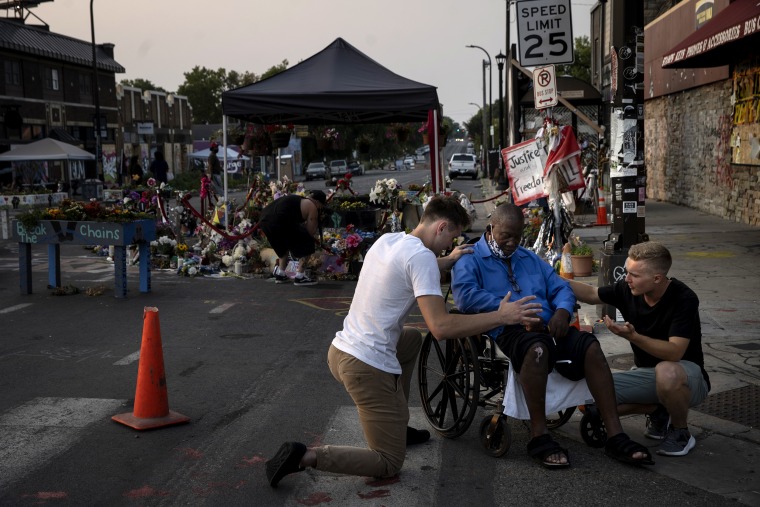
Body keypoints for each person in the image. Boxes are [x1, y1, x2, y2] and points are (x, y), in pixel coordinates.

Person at [265, 196, 544, 487]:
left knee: (410, 339)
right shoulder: (421, 258)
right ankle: (305, 456)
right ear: (442, 227)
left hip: (340, 351)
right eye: (451, 236)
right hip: (364, 367)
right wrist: (502, 316)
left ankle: (397, 424)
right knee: (388, 463)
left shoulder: (390, 241)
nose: (450, 244)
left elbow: (412, 265)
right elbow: (441, 327)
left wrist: (447, 261)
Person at [450, 203, 653, 469]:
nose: (512, 242)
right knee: (537, 349)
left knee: (589, 346)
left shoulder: (529, 258)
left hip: (548, 326)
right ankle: (539, 435)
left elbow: (561, 287)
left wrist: (562, 311)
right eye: (505, 236)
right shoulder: (470, 258)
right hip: (507, 328)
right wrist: (507, 309)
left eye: (517, 236)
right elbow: (465, 296)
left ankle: (616, 435)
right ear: (491, 229)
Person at [569, 241, 709, 457]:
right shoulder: (628, 289)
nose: (626, 279)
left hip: (686, 376)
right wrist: (550, 278)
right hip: (646, 375)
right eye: (627, 272)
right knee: (592, 393)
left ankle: (681, 432)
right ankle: (658, 410)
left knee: (666, 371)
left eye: (634, 275)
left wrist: (633, 337)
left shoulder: (684, 298)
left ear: (657, 278)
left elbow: (674, 353)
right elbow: (591, 293)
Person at [257, 190, 328, 286]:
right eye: (322, 206)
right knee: (308, 242)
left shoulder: (298, 200)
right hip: (279, 219)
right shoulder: (312, 206)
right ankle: (300, 276)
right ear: (318, 202)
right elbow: (310, 232)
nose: (321, 209)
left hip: (265, 220)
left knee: (283, 246)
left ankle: (281, 274)